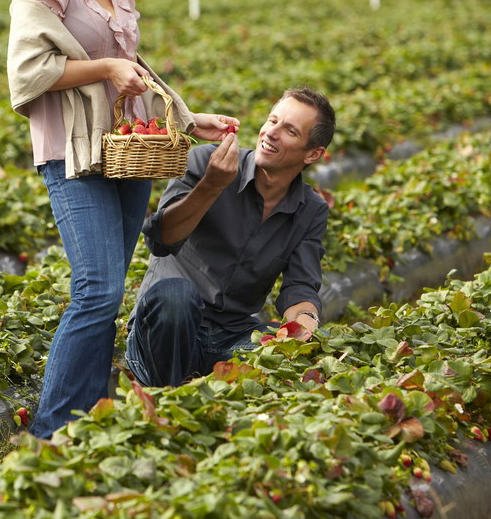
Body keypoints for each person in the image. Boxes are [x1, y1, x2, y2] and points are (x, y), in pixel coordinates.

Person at [6, 0, 239, 438]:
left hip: (125, 151)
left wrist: (186, 118)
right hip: (71, 151)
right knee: (97, 288)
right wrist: (106, 69)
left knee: (108, 290)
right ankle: (49, 432)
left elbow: (134, 69)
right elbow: (27, 73)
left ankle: (87, 420)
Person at [124, 87, 336, 388]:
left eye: (289, 130)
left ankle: (203, 399)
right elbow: (161, 239)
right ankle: (168, 398)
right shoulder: (205, 162)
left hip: (229, 338)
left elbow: (300, 286)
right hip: (163, 333)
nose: (271, 133)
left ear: (313, 154)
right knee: (176, 297)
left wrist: (305, 325)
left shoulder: (310, 210)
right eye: (272, 121)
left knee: (288, 355)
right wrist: (211, 186)